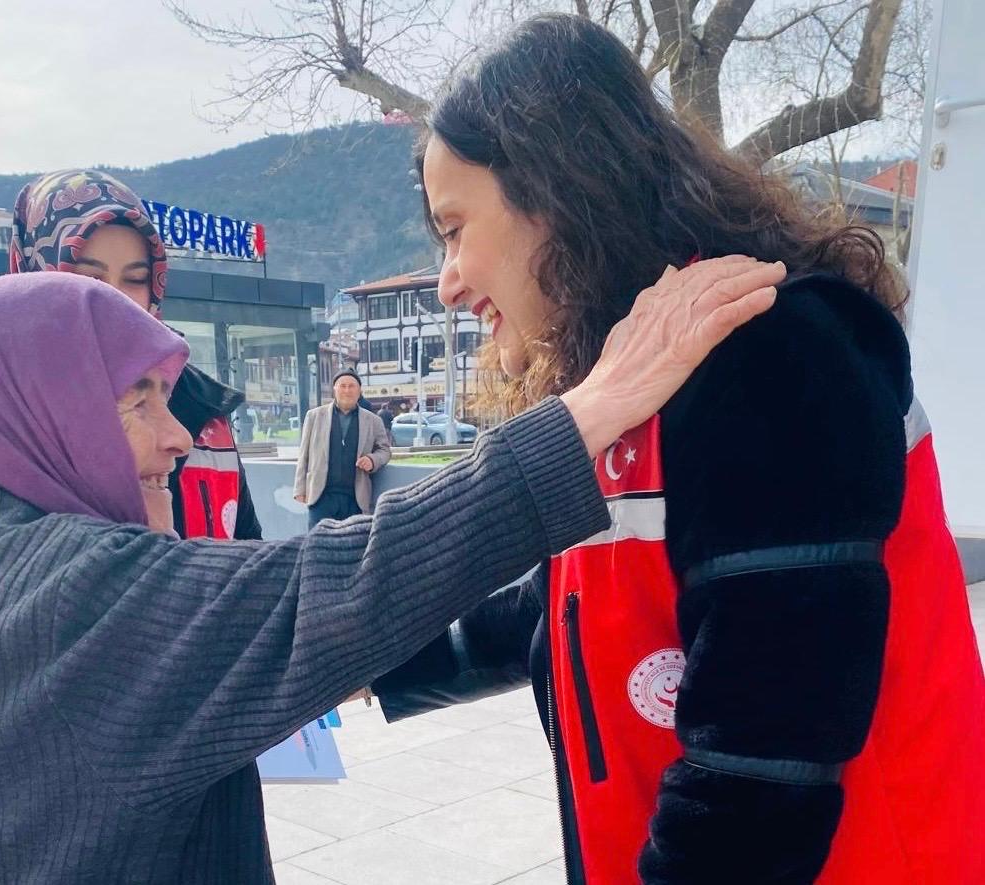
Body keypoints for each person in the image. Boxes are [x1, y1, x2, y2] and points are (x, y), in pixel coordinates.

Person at [0, 254, 779, 883]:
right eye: (134, 401)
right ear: (33, 414)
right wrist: (599, 403)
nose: (179, 435)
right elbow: (338, 588)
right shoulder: (63, 595)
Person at [369, 14, 985, 885]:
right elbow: (565, 602)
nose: (447, 279)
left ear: (555, 193)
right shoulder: (637, 378)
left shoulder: (773, 356)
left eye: (454, 228)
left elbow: (758, 772)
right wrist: (359, 655)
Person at [0, 169, 260, 577]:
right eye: (89, 278)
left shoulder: (203, 411)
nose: (114, 299)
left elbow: (256, 555)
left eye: (135, 279)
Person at [294, 367, 391, 527]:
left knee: (352, 547)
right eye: (342, 386)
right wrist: (300, 489)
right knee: (317, 546)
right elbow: (303, 454)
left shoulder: (373, 421)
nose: (347, 390)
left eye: (352, 386)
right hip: (321, 497)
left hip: (356, 498)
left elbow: (385, 450)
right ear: (335, 389)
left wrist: (372, 460)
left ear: (359, 391)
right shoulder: (314, 416)